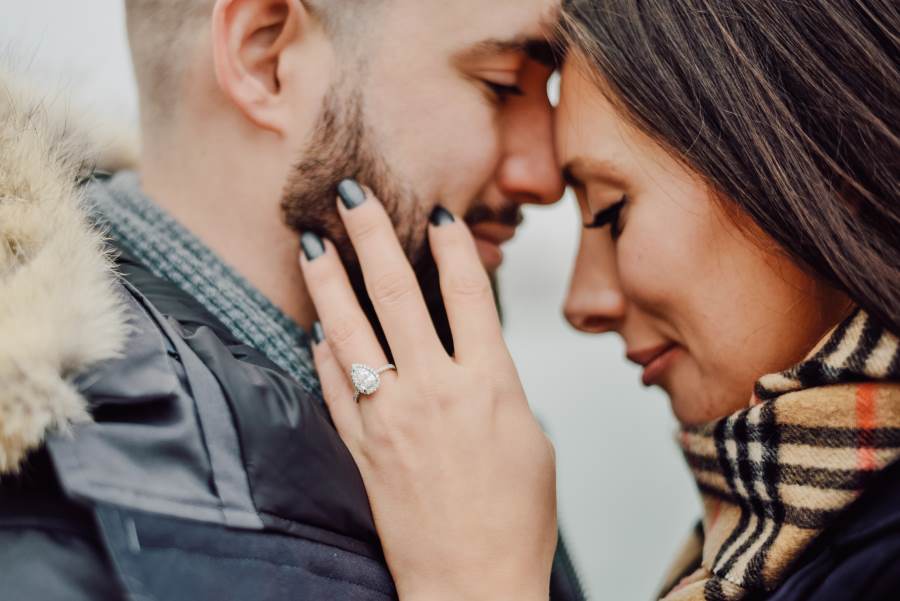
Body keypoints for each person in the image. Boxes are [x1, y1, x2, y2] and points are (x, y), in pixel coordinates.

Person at [298, 1, 900, 600]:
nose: (582, 303)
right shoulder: (766, 541)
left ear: (826, 168)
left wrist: (476, 581)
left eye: (611, 213)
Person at [0, 1, 587, 599]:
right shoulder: (42, 509)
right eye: (502, 85)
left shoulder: (463, 436)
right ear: (265, 56)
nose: (545, 177)